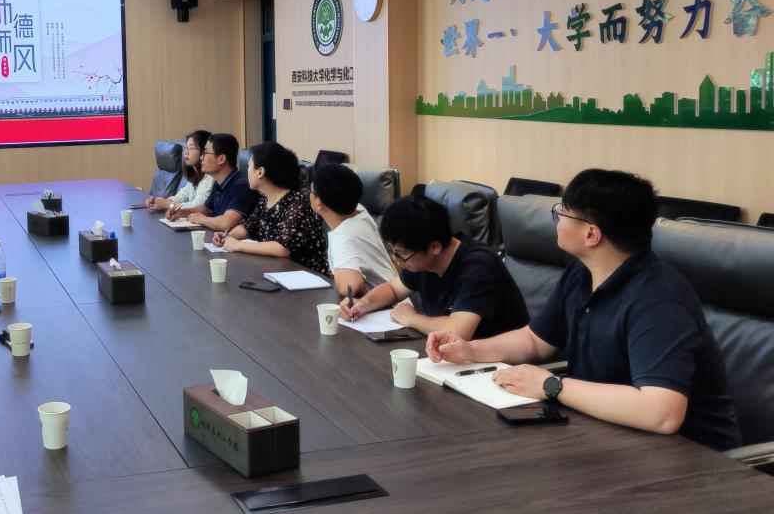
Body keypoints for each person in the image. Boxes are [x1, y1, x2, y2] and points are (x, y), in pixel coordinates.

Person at [427, 169, 741, 450]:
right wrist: (470, 349)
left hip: (691, 460)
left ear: (591, 234)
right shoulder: (583, 273)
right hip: (605, 433)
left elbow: (661, 413)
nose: (557, 220)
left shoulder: (659, 300)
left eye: (562, 213)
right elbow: (534, 340)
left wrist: (551, 385)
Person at [342, 190, 529, 339]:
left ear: (434, 247)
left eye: (401, 254)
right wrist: (363, 304)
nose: (396, 260)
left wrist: (411, 318)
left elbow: (457, 332)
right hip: (453, 355)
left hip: (500, 365)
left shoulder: (479, 266)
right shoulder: (423, 256)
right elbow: (393, 289)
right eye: (393, 252)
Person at [212, 142, 328, 273]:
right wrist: (228, 236)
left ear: (260, 172)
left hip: (304, 275)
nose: (247, 171)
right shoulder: (265, 199)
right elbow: (248, 227)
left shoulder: (297, 203)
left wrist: (238, 245)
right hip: (276, 270)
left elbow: (282, 248)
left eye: (249, 166)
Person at [309, 163, 397, 297]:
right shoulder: (358, 210)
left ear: (318, 203)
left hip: (387, 307)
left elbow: (349, 287)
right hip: (393, 299)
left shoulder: (344, 236)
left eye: (311, 191)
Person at [171, 133, 254, 233]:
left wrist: (201, 219)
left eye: (205, 153)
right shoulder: (219, 182)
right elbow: (207, 209)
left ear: (221, 159)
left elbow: (227, 223)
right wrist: (182, 213)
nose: (201, 157)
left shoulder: (241, 185)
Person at [146, 130, 214, 212]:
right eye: (186, 148)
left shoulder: (210, 176)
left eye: (191, 148)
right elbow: (182, 196)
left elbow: (197, 206)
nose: (186, 152)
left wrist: (168, 204)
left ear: (204, 152)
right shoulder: (195, 175)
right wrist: (160, 201)